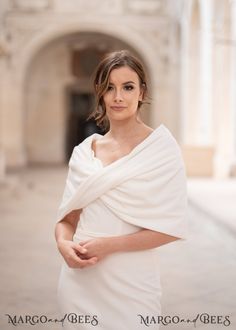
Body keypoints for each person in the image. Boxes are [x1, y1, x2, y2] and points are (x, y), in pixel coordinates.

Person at [55, 50, 187, 330]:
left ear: (142, 92)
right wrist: (63, 245)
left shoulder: (162, 149)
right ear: (100, 94)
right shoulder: (84, 152)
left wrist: (108, 245)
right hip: (80, 281)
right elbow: (68, 219)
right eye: (109, 88)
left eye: (128, 87)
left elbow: (170, 228)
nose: (118, 97)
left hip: (134, 282)